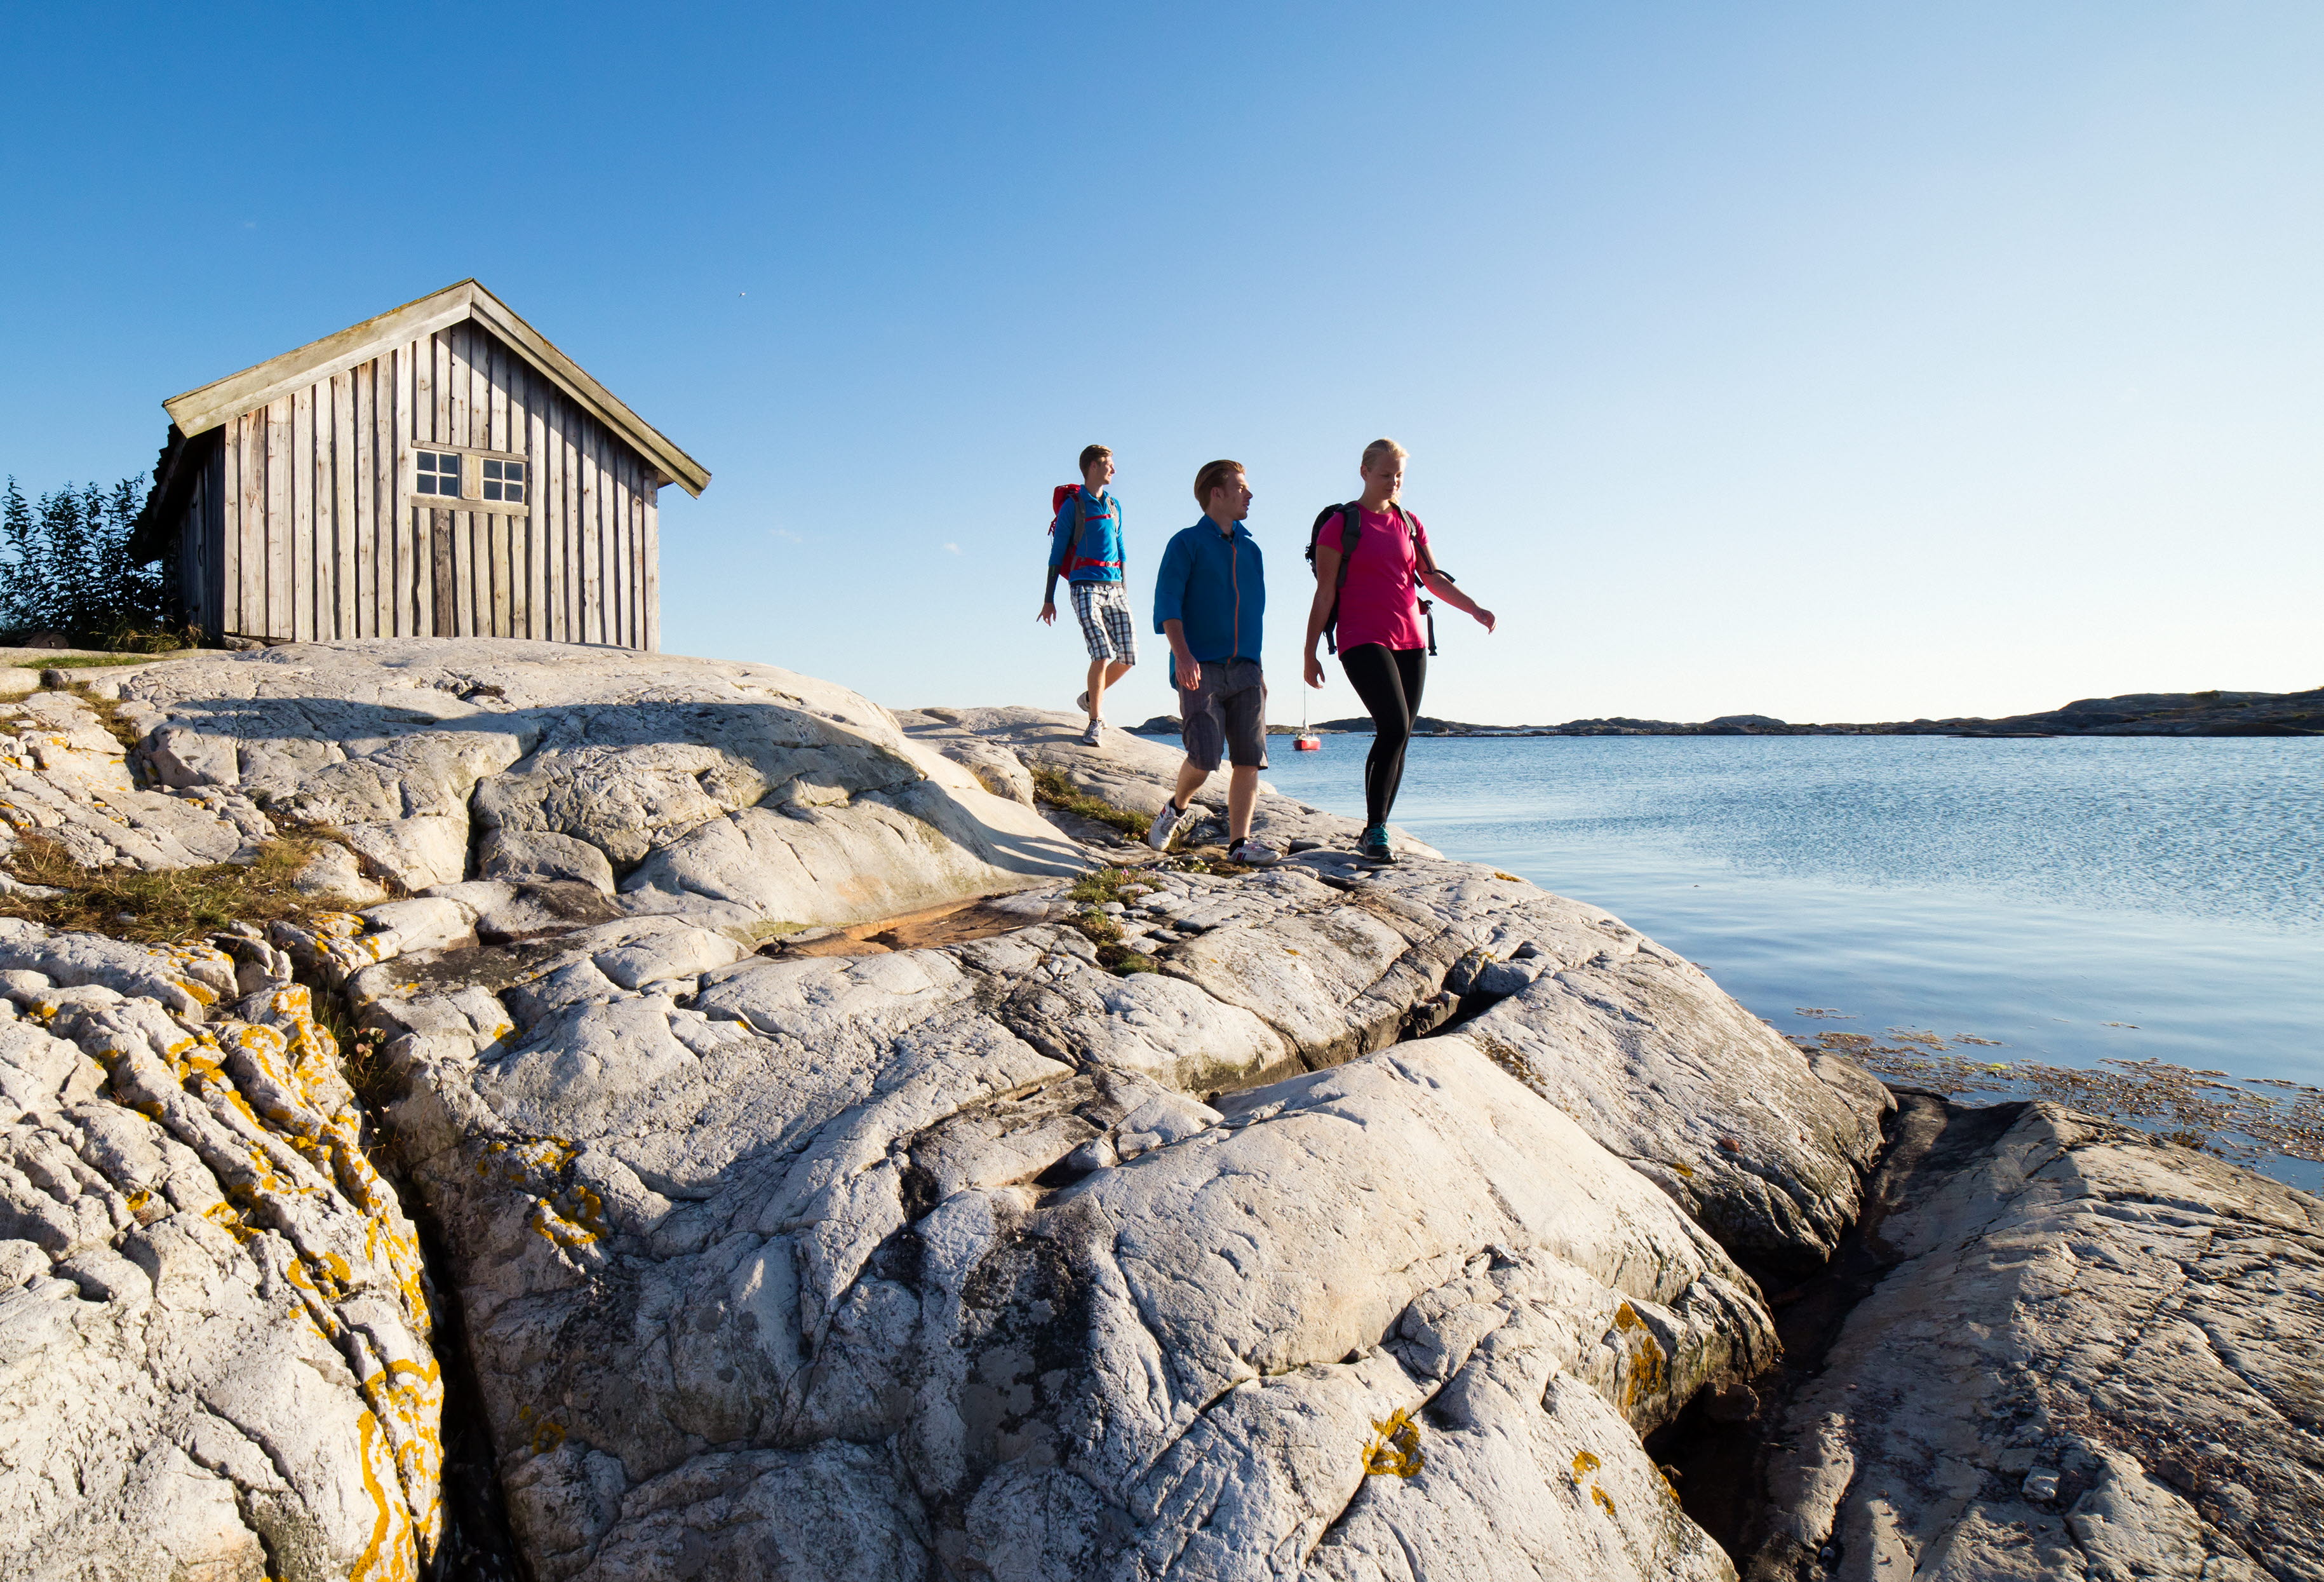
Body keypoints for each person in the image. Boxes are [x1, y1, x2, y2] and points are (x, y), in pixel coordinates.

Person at [1301, 438, 1496, 863]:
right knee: (1392, 726)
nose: (1393, 482)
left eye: (1399, 475)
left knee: (1403, 733)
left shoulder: (1409, 523)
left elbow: (1432, 578)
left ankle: (1379, 826)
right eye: (1386, 474)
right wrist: (1309, 650)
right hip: (1360, 637)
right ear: (1364, 472)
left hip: (1411, 638)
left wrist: (1474, 609)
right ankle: (1374, 830)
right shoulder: (1341, 524)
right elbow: (1324, 591)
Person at [1146, 459, 1279, 865]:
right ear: (1216, 493)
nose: (1250, 494)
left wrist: (1259, 669)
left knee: (1248, 758)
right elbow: (1167, 603)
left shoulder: (1252, 550)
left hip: (1246, 669)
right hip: (1199, 665)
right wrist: (1182, 655)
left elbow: (1253, 614)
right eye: (1241, 487)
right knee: (1204, 757)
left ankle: (1239, 845)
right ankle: (1176, 807)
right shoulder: (1185, 543)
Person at [1038, 445, 1134, 747]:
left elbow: (1121, 552)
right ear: (1093, 467)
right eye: (1108, 464)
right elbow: (1056, 554)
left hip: (1115, 587)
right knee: (1103, 653)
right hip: (1084, 586)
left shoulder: (1115, 505)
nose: (1114, 470)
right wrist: (1049, 598)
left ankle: (1090, 697)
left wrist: (1125, 592)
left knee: (1129, 657)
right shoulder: (1074, 506)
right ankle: (1095, 721)